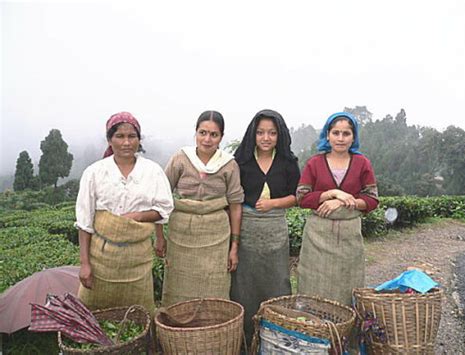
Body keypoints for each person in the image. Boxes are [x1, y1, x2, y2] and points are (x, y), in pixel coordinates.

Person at [75, 112, 174, 315]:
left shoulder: (152, 171)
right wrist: (85, 264)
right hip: (102, 256)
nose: (126, 142)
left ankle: (140, 338)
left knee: (139, 312)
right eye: (120, 136)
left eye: (132, 136)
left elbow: (164, 208)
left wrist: (138, 217)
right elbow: (84, 222)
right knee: (95, 311)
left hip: (137, 257)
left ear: (139, 139)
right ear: (109, 139)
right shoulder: (94, 173)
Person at [159, 110, 244, 306]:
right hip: (181, 235)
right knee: (178, 286)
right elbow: (161, 197)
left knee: (215, 286)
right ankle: (177, 327)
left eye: (214, 135)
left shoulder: (229, 165)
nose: (207, 139)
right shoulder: (181, 159)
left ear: (221, 137)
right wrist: (160, 236)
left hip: (216, 236)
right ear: (195, 133)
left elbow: (235, 205)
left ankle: (212, 328)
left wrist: (234, 246)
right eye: (202, 133)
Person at [231, 109, 300, 345]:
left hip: (275, 230)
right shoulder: (241, 163)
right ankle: (245, 338)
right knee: (244, 285)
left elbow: (298, 196)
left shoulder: (288, 163)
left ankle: (277, 337)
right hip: (248, 229)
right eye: (260, 132)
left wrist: (274, 203)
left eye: (272, 133)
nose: (266, 138)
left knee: (278, 281)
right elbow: (234, 201)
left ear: (279, 135)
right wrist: (235, 241)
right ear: (253, 134)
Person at [296, 112, 378, 306]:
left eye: (346, 133)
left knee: (347, 286)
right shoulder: (315, 163)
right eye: (336, 133)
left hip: (349, 237)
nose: (340, 138)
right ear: (327, 135)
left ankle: (344, 330)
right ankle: (314, 329)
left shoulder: (362, 163)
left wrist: (342, 202)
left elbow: (372, 199)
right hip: (318, 237)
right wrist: (332, 193)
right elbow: (302, 197)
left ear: (353, 137)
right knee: (313, 287)